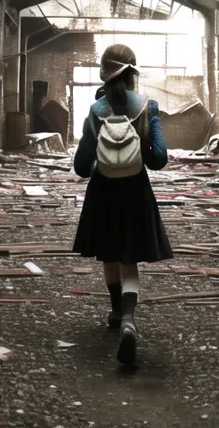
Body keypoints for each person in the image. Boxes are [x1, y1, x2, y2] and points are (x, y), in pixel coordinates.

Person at [72, 43, 172, 366]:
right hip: (135, 192)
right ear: (132, 76)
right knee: (130, 258)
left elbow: (80, 163)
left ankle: (115, 310)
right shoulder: (147, 107)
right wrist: (138, 148)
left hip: (103, 193)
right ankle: (129, 318)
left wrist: (98, 165)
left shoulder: (95, 111)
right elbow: (159, 159)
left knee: (110, 254)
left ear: (105, 76)